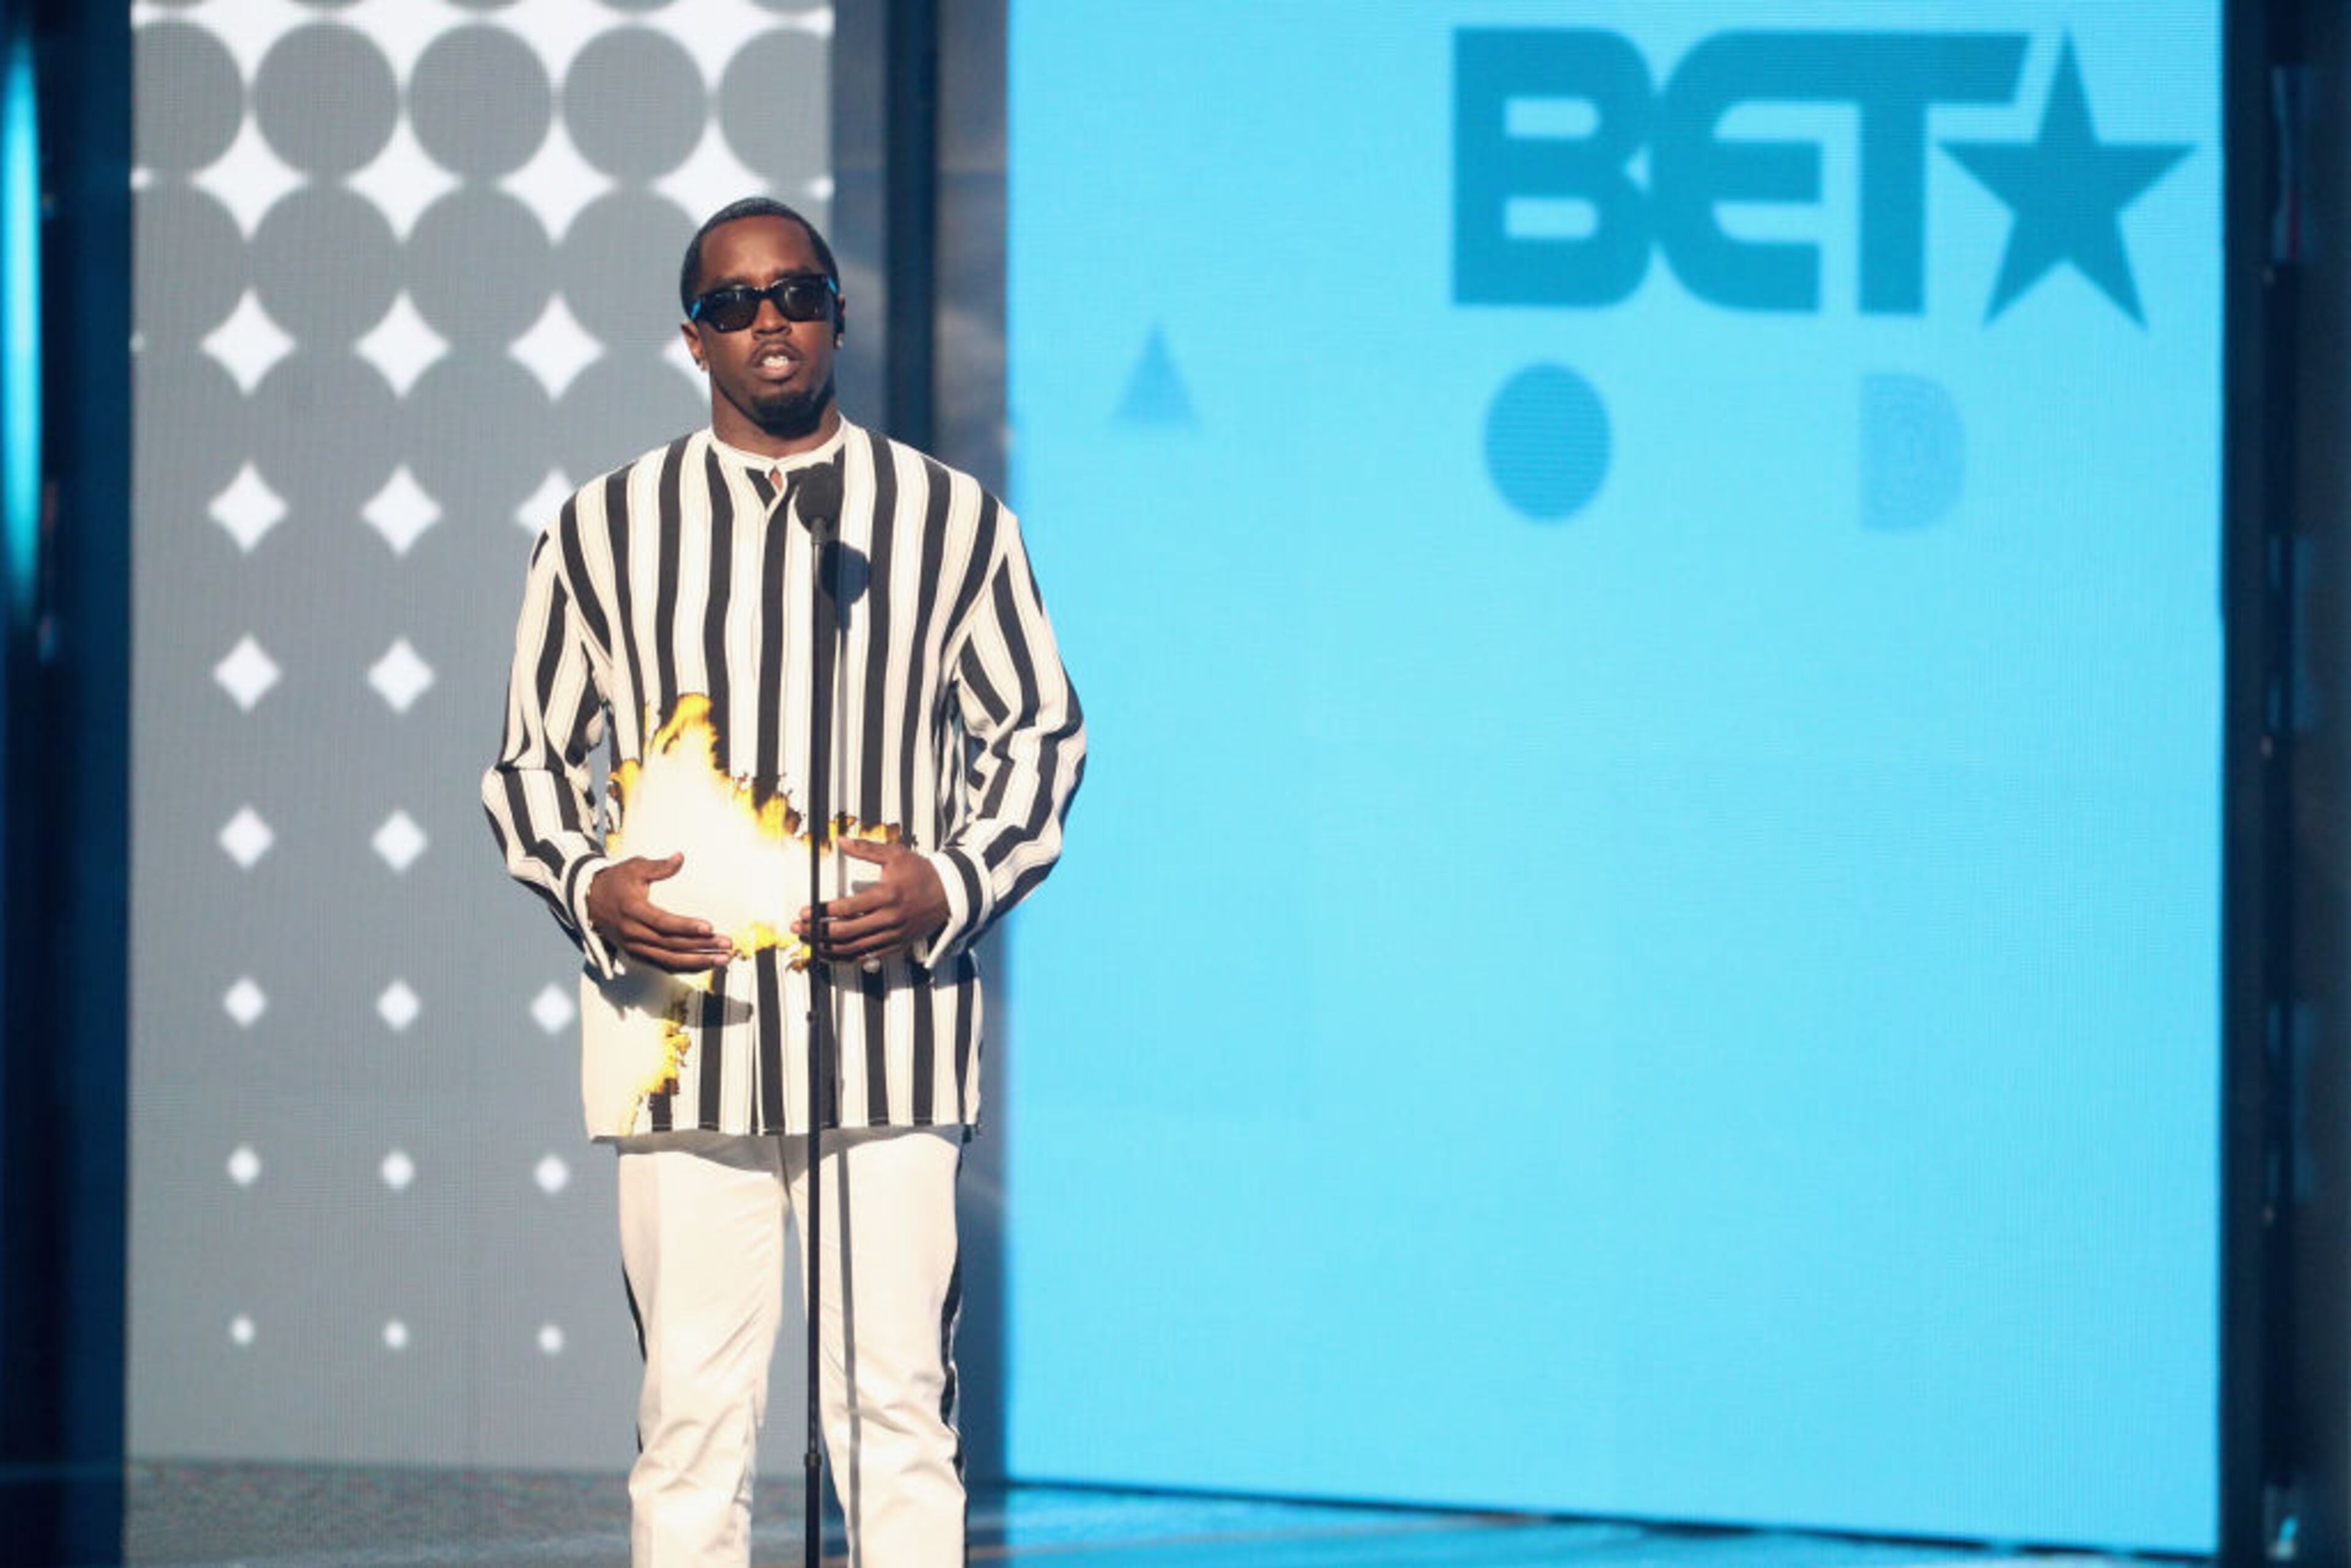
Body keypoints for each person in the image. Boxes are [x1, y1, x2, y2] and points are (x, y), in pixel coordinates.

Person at [482, 195, 1085, 1568]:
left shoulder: (945, 519)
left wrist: (950, 878)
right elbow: (525, 770)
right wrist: (593, 887)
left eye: (797, 295)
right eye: (734, 304)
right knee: (692, 1417)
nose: (770, 323)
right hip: (686, 1031)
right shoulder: (602, 529)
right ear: (689, 338)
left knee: (894, 1411)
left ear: (840, 315)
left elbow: (1041, 738)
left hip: (888, 1023)